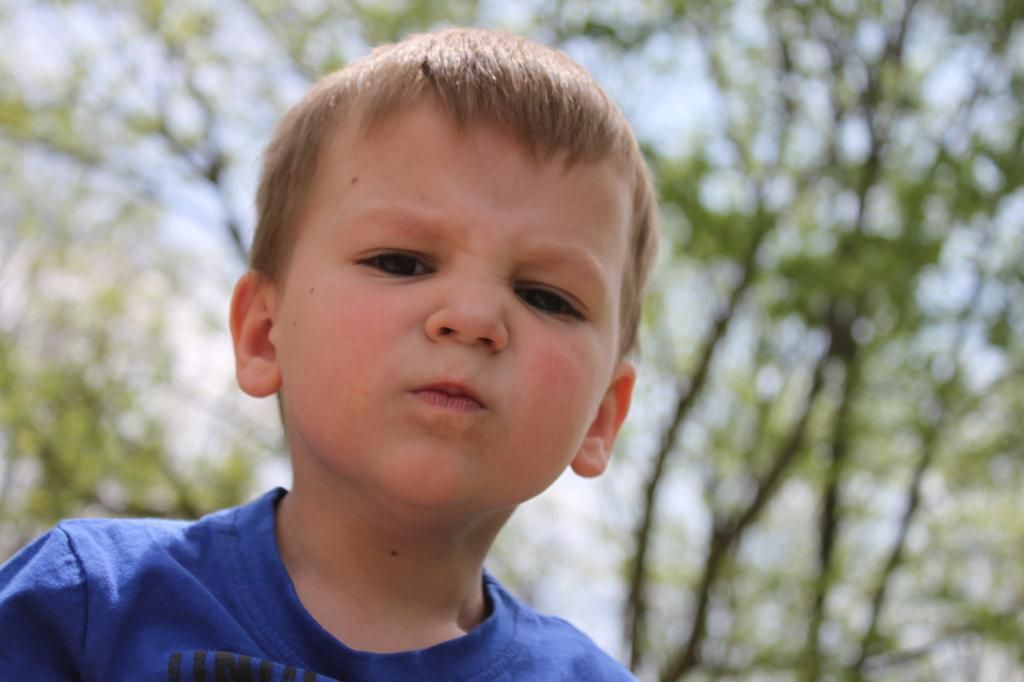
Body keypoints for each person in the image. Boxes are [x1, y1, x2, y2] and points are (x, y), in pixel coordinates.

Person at [0, 27, 659, 681]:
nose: (473, 319)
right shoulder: (89, 606)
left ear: (603, 416)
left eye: (546, 298)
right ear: (264, 334)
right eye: (401, 262)